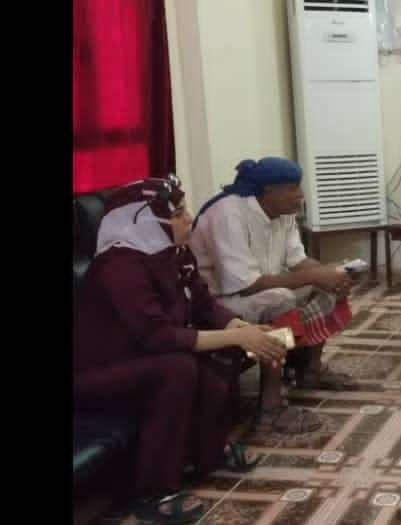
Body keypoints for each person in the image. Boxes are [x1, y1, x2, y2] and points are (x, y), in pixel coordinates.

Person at [74, 177, 292, 524]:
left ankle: (208, 453)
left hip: (146, 356)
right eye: (177, 214)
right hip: (100, 372)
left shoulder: (173, 252)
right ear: (145, 222)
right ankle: (153, 490)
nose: (189, 218)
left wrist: (242, 329)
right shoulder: (119, 267)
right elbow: (156, 337)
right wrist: (239, 337)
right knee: (178, 368)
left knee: (218, 354)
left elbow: (204, 305)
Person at [190, 157, 359, 431]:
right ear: (269, 191)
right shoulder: (228, 215)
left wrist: (332, 274)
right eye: (292, 188)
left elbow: (298, 261)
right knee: (280, 300)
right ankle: (270, 405)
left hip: (258, 289)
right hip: (218, 301)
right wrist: (316, 275)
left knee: (328, 285)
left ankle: (311, 371)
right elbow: (247, 285)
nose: (300, 194)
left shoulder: (284, 212)